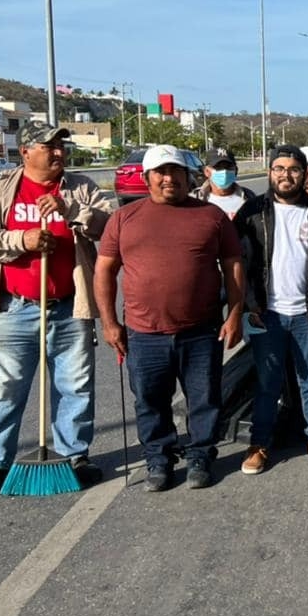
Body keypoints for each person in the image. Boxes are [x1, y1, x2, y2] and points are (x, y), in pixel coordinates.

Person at [0, 120, 114, 497]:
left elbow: (110, 228)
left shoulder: (81, 188)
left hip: (69, 307)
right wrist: (23, 239)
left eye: (61, 146)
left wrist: (71, 211)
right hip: (14, 308)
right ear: (25, 151)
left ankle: (73, 455)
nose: (59, 152)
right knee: (4, 389)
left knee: (75, 386)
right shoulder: (0, 190)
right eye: (49, 146)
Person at [95, 145, 245, 491]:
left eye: (175, 172)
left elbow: (234, 265)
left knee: (205, 398)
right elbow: (104, 270)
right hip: (144, 333)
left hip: (200, 330)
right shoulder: (124, 218)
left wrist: (234, 313)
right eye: (160, 173)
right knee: (149, 400)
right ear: (147, 178)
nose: (169, 179)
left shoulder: (211, 216)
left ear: (188, 176)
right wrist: (109, 322)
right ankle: (158, 459)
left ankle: (200, 455)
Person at [234, 146, 308, 474]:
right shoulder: (251, 212)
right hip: (264, 313)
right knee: (268, 382)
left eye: (294, 169)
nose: (286, 175)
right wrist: (246, 305)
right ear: (270, 172)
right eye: (279, 168)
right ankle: (260, 444)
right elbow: (237, 263)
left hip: (307, 313)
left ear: (306, 173)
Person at [198, 148, 255, 218]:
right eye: (218, 167)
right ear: (206, 171)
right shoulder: (196, 199)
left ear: (236, 171)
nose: (224, 171)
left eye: (228, 167)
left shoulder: (249, 197)